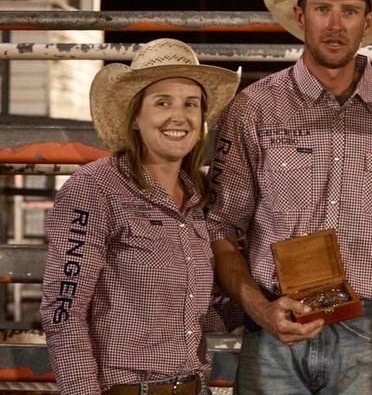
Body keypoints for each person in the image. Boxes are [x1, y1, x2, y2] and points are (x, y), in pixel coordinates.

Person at [206, 0, 372, 395]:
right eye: (322, 8)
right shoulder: (255, 107)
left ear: (367, 22)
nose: (334, 24)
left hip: (365, 323)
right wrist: (260, 311)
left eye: (348, 11)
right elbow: (221, 228)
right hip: (275, 317)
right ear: (300, 14)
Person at [39, 38, 240, 394]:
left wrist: (262, 299)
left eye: (190, 104)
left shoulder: (199, 197)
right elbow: (63, 312)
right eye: (162, 102)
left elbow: (195, 313)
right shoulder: (95, 188)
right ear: (135, 116)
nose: (179, 116)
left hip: (195, 387)